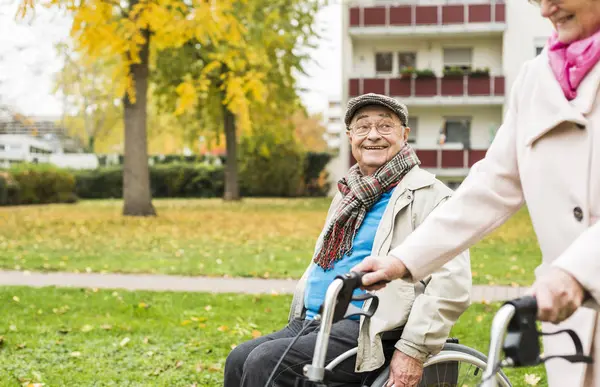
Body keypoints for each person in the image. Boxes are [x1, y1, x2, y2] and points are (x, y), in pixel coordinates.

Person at [352, 0, 600, 386]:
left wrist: (578, 269)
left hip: (572, 288)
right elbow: (491, 186)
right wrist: (403, 259)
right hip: (572, 323)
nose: (545, 9)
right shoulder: (535, 79)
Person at [223, 93, 472, 387]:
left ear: (404, 135)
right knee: (239, 358)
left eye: (385, 126)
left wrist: (413, 350)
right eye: (363, 127)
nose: (373, 136)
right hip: (314, 320)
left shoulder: (431, 195)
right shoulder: (349, 193)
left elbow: (451, 284)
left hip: (370, 329)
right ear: (350, 136)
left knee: (266, 363)